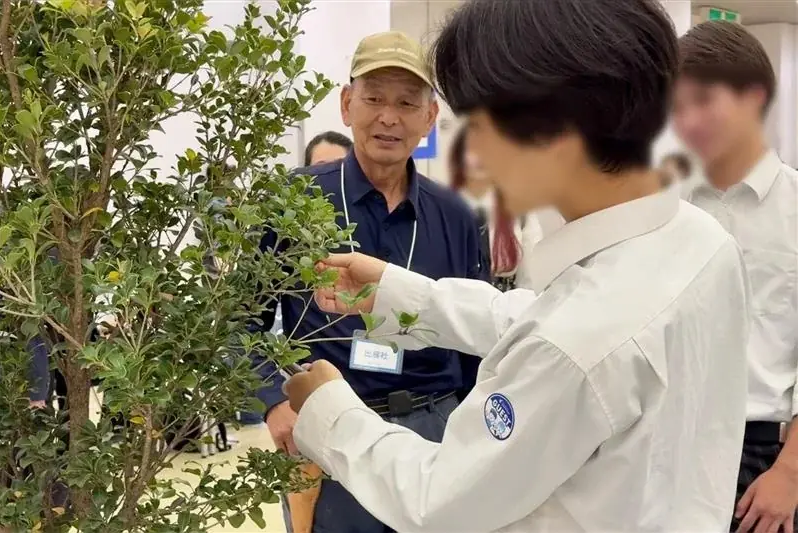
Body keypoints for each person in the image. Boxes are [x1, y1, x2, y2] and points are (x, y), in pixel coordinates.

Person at [283, 0, 751, 531]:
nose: (472, 154)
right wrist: (398, 293)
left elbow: (438, 499)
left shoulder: (576, 346)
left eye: (480, 127)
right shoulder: (699, 240)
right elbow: (538, 317)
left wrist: (327, 412)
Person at [252, 31, 483, 533]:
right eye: (374, 98)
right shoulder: (291, 202)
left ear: (429, 117)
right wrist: (273, 402)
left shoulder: (456, 215)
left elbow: (474, 341)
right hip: (327, 431)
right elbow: (237, 322)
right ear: (346, 103)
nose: (388, 116)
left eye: (406, 102)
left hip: (434, 432)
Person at [674, 21, 798, 533]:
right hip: (670, 441)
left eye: (704, 100)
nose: (688, 120)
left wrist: (789, 473)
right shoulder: (663, 208)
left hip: (765, 457)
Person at [448, 128, 543, 291]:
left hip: (506, 303)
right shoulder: (445, 207)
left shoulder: (519, 210)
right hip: (459, 301)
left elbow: (531, 276)